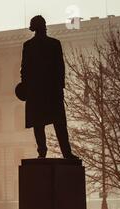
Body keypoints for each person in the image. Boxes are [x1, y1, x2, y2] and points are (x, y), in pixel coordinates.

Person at [20, 15, 79, 160]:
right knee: (58, 124)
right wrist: (60, 88)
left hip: (38, 92)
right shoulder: (53, 44)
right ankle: (65, 153)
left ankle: (43, 152)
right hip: (51, 92)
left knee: (39, 124)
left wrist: (26, 88)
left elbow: (24, 70)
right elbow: (60, 69)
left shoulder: (29, 46)